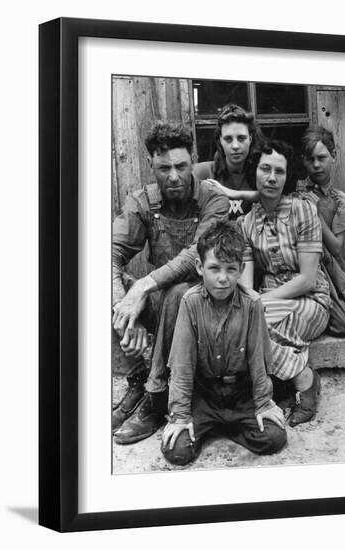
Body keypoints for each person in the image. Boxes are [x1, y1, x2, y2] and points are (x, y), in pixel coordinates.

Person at [112, 121, 230, 444]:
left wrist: (144, 285)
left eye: (180, 166)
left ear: (192, 161)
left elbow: (197, 255)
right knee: (107, 284)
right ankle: (137, 378)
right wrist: (126, 308)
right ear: (151, 164)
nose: (174, 176)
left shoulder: (214, 201)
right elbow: (108, 252)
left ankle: (156, 398)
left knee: (181, 291)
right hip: (160, 304)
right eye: (164, 168)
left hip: (205, 311)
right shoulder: (142, 202)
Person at [162, 221, 287, 465]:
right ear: (199, 267)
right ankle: (214, 423)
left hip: (241, 395)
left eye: (231, 269)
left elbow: (258, 359)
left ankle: (225, 426)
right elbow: (182, 365)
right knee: (177, 451)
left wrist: (262, 405)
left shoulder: (252, 303)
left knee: (273, 437)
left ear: (240, 269)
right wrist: (179, 415)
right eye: (214, 268)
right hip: (205, 394)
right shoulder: (190, 302)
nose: (223, 279)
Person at [237, 140, 331, 426]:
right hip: (267, 297)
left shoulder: (303, 210)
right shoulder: (245, 224)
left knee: (267, 328)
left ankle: (302, 385)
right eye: (265, 169)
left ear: (287, 176)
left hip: (311, 298)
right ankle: (297, 378)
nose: (272, 177)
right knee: (247, 323)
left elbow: (307, 278)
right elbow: (246, 284)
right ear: (255, 171)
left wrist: (260, 302)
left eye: (279, 171)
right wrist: (252, 301)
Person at [296, 126, 345, 336]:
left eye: (322, 157)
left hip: (334, 267)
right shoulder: (298, 192)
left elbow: (337, 248)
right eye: (311, 159)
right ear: (304, 161)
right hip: (310, 265)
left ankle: (336, 307)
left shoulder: (340, 200)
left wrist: (316, 214)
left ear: (333, 156)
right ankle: (321, 314)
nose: (317, 165)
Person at [193, 103, 264, 220]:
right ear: (220, 140)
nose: (235, 146)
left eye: (241, 138)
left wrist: (231, 193)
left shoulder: (261, 173)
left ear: (250, 138)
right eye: (228, 139)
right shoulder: (203, 173)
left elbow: (280, 198)